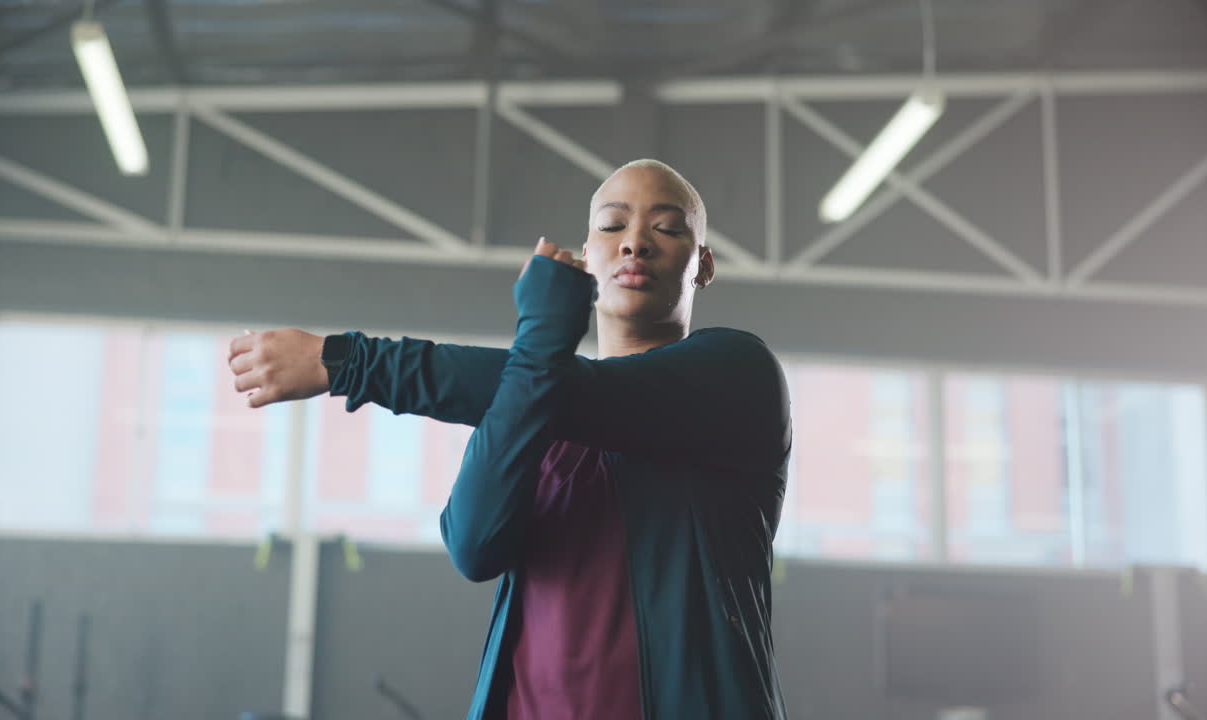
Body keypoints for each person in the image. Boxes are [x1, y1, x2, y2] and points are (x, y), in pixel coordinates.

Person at [227, 159, 791, 720]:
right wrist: (537, 349)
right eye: (612, 226)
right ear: (587, 255)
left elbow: (592, 396)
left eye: (667, 228)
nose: (635, 243)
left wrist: (351, 362)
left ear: (704, 265)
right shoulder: (528, 407)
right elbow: (473, 546)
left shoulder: (738, 374)